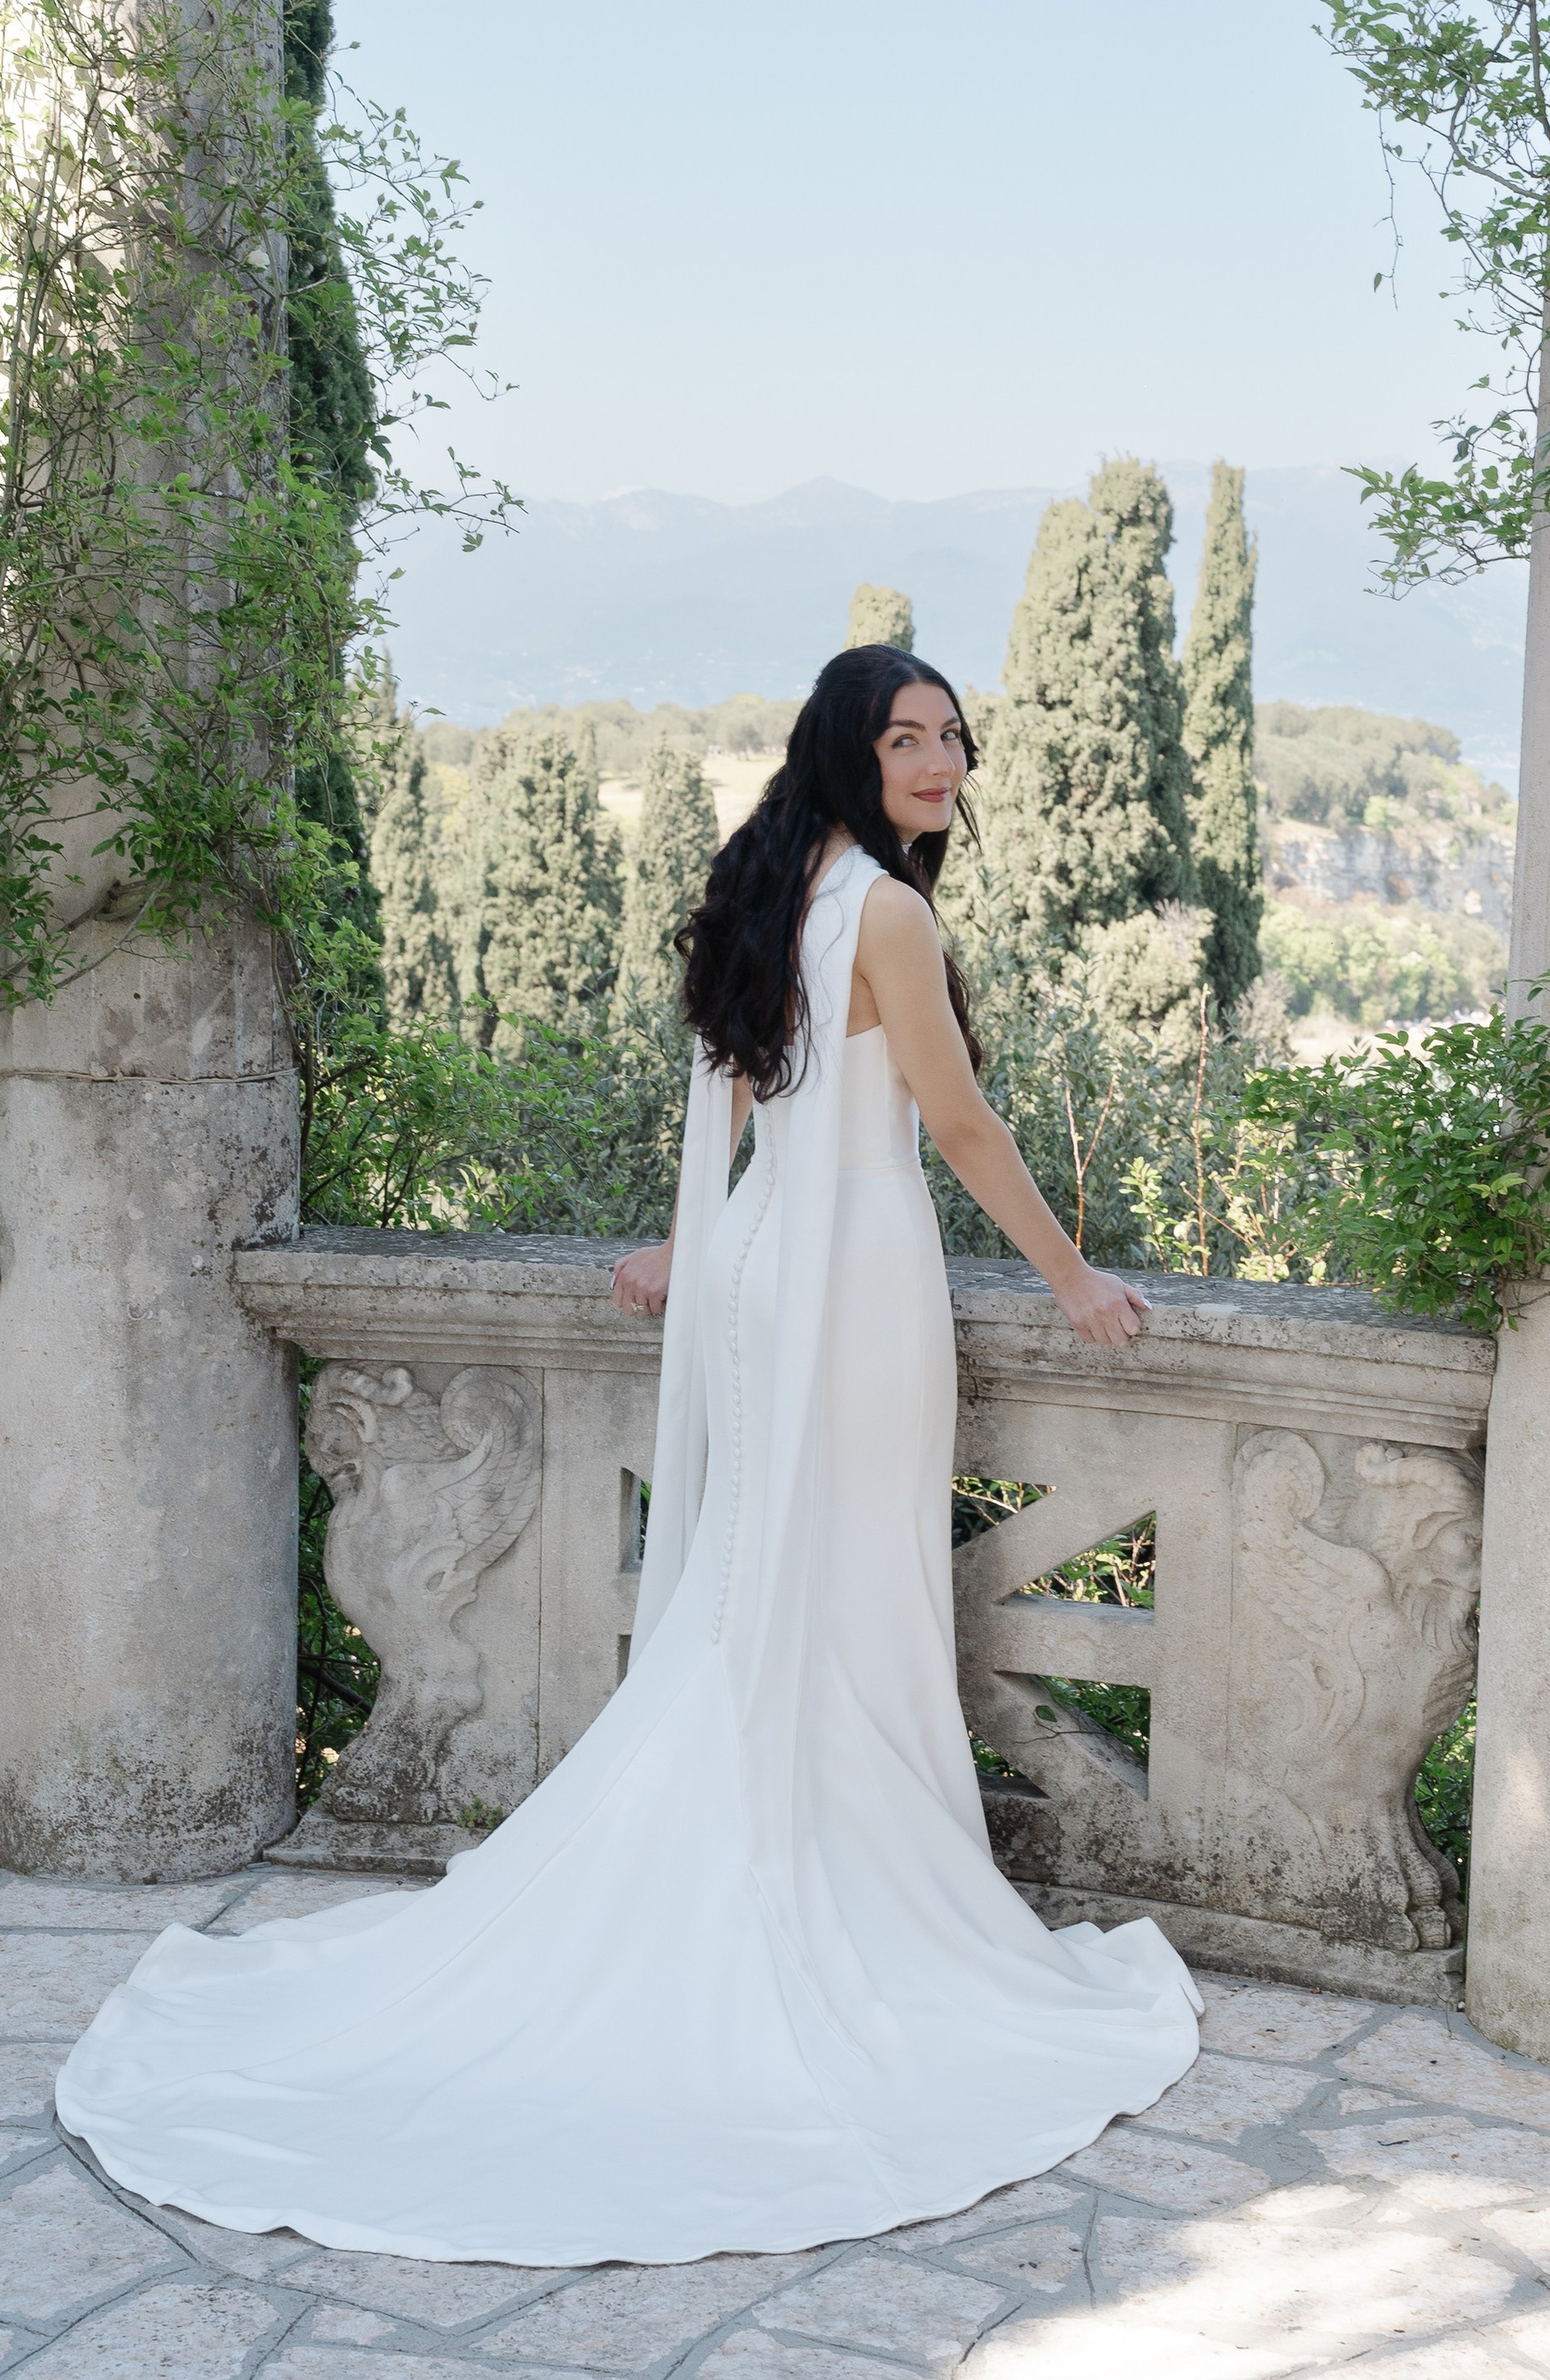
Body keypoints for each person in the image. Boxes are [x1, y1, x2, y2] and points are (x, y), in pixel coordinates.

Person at [57, 649, 1200, 2263]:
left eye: (956, 738)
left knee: (758, 1572)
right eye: (910, 737)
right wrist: (1075, 1279)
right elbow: (957, 1126)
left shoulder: (783, 880)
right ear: (849, 753)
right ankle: (823, 1889)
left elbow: (733, 1079)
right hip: (849, 1269)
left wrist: (686, 1244)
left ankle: (742, 1837)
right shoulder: (887, 909)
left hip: (755, 1258)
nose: (944, 762)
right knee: (841, 1568)